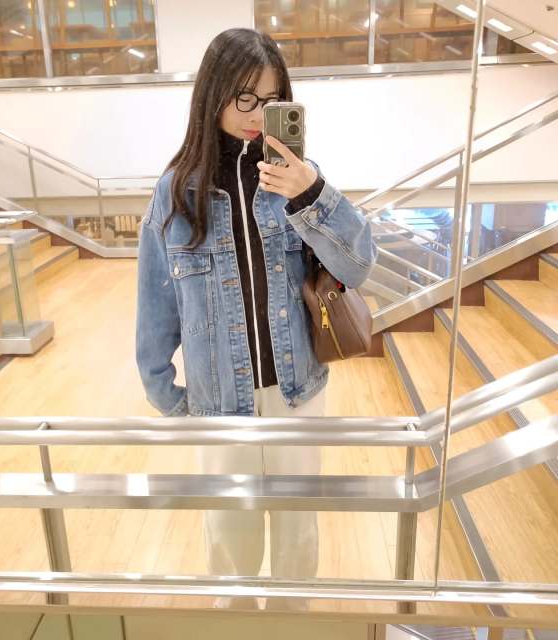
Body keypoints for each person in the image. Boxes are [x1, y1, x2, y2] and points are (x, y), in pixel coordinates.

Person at [135, 28, 377, 609]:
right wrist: (170, 398)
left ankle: (291, 622)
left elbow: (360, 265)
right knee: (230, 544)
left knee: (298, 536)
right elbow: (155, 304)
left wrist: (310, 192)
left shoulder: (297, 179)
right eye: (244, 97)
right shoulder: (176, 193)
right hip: (220, 402)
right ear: (212, 95)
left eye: (270, 100)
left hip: (297, 393)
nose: (255, 114)